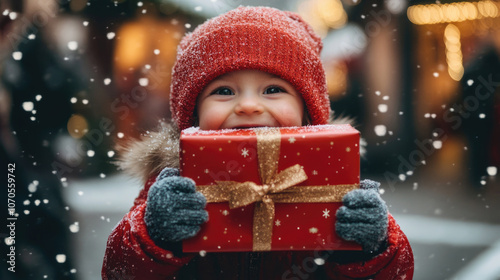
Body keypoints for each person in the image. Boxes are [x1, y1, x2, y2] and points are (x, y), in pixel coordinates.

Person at [102, 6, 414, 279]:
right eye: (224, 91)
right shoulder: (175, 182)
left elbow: (394, 274)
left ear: (307, 110)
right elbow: (120, 272)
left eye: (272, 90)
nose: (248, 106)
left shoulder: (332, 180)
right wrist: (154, 236)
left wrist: (372, 246)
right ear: (194, 113)